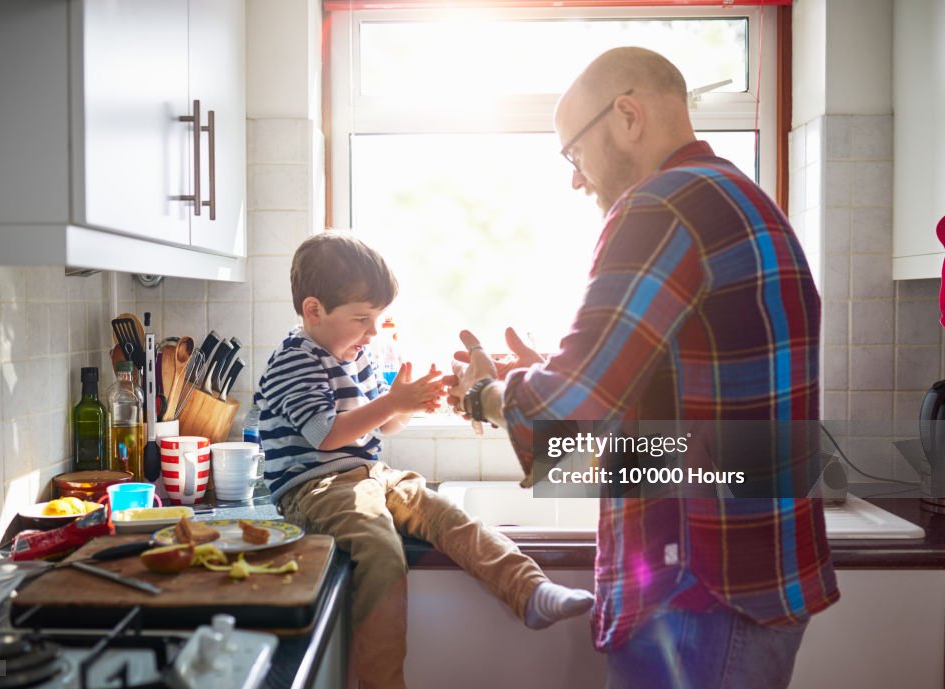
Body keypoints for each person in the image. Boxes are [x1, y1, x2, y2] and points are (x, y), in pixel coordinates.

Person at [446, 47, 840, 689]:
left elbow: (570, 408)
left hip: (697, 595)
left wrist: (487, 394)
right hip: (759, 583)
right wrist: (551, 377)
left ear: (627, 115)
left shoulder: (659, 206)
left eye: (574, 152)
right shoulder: (746, 199)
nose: (576, 179)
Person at [257, 232, 594, 689]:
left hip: (368, 476)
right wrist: (393, 402)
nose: (372, 332)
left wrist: (409, 405)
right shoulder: (294, 360)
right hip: (314, 488)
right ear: (313, 310)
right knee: (381, 552)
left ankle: (529, 591)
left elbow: (382, 426)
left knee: (449, 515)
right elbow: (328, 434)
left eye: (378, 318)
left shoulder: (358, 354)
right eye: (361, 318)